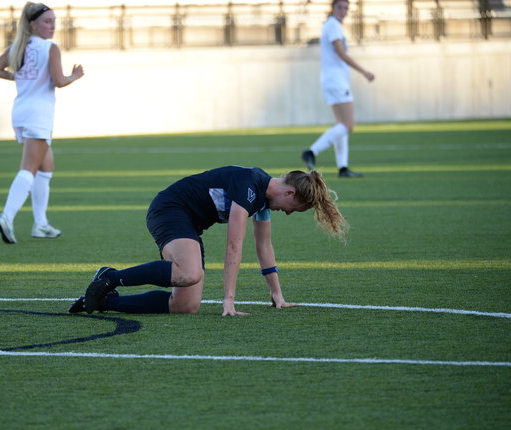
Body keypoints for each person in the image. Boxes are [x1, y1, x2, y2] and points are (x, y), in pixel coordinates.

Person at [69, 166, 349, 316]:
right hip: (170, 209)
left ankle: (105, 302)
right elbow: (233, 246)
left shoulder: (263, 200)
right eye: (294, 209)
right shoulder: (249, 185)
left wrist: (277, 294)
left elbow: (264, 247)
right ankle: (108, 278)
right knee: (189, 273)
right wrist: (229, 301)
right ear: (289, 193)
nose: (287, 213)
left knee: (185, 306)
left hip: (190, 225)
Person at [0, 2, 84, 244]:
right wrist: (75, 76)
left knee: (46, 168)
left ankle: (40, 224)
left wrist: (19, 77)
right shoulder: (50, 47)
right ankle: (6, 216)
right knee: (29, 168)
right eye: (47, 22)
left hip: (21, 111)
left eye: (54, 21)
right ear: (33, 24)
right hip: (38, 114)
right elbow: (59, 81)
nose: (52, 26)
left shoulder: (18, 46)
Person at [301, 0, 375, 178]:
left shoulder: (331, 25)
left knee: (341, 125)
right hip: (336, 82)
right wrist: (364, 71)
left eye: (346, 8)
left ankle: (343, 168)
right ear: (333, 8)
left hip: (332, 81)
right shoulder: (333, 25)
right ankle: (311, 151)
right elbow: (341, 53)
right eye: (340, 7)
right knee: (348, 125)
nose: (344, 11)